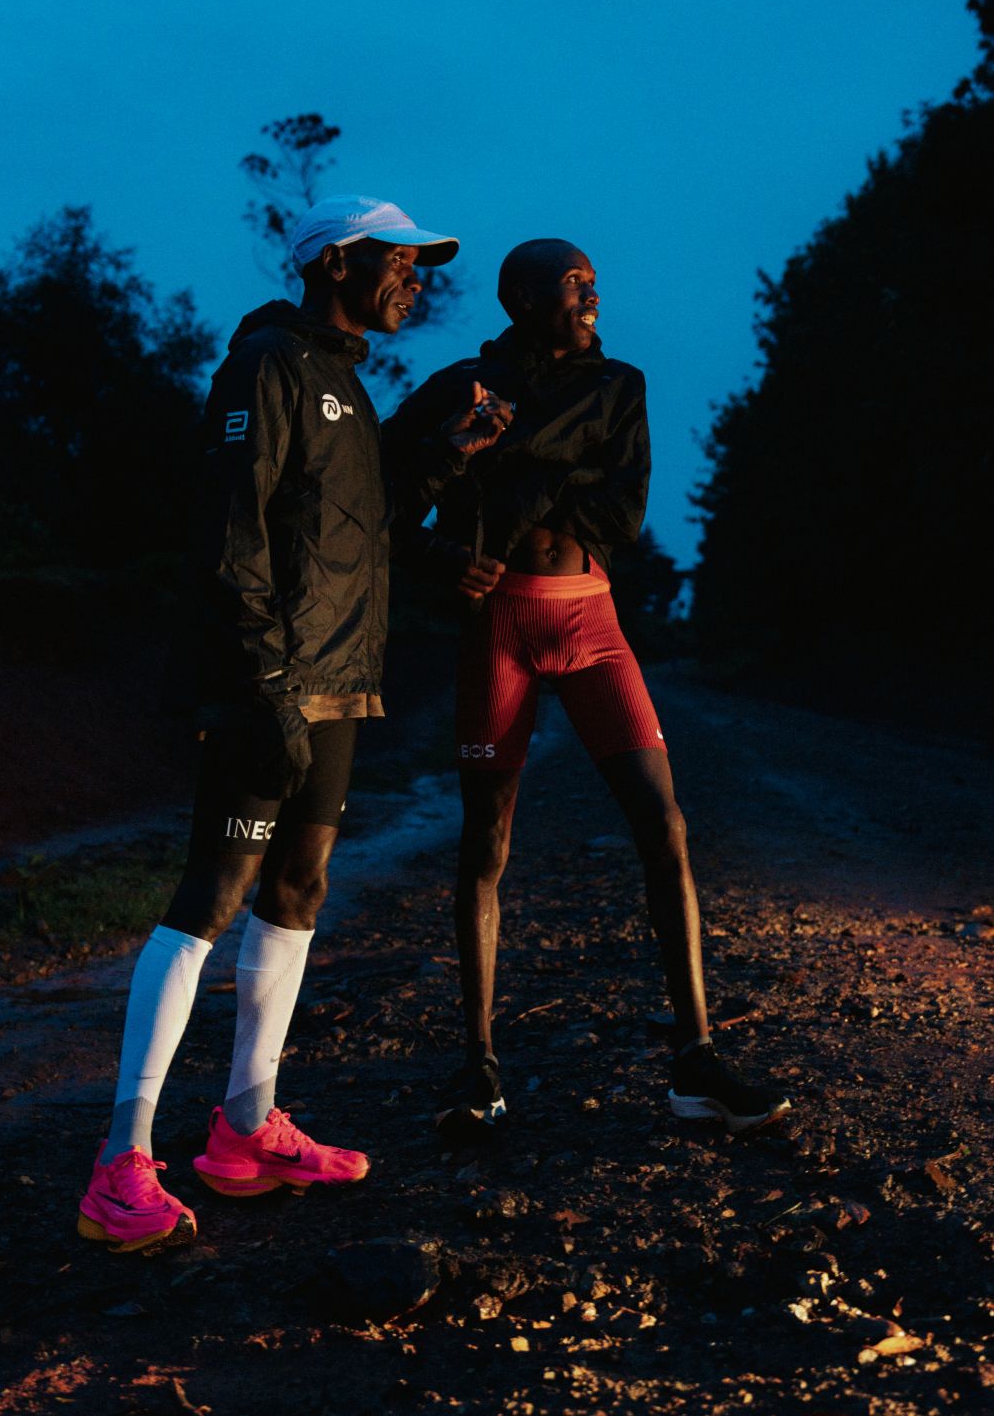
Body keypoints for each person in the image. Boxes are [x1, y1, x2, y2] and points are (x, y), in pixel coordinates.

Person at [78, 196, 506, 1254]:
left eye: (419, 267)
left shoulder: (346, 384)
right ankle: (118, 1163)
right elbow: (236, 535)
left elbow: (361, 527)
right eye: (401, 263)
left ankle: (242, 1130)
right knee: (212, 895)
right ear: (338, 262)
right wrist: (265, 684)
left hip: (336, 681)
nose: (417, 281)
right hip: (269, 680)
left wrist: (446, 458)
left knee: (299, 888)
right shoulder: (266, 366)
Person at [384, 238, 791, 1140]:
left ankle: (696, 1060)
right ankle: (480, 1066)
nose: (593, 299)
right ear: (524, 297)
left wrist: (515, 467)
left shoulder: (620, 387)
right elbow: (387, 494)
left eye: (596, 286)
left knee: (666, 824)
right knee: (485, 841)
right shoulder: (464, 388)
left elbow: (624, 515)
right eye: (574, 286)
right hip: (501, 629)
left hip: (592, 624)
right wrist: (443, 548)